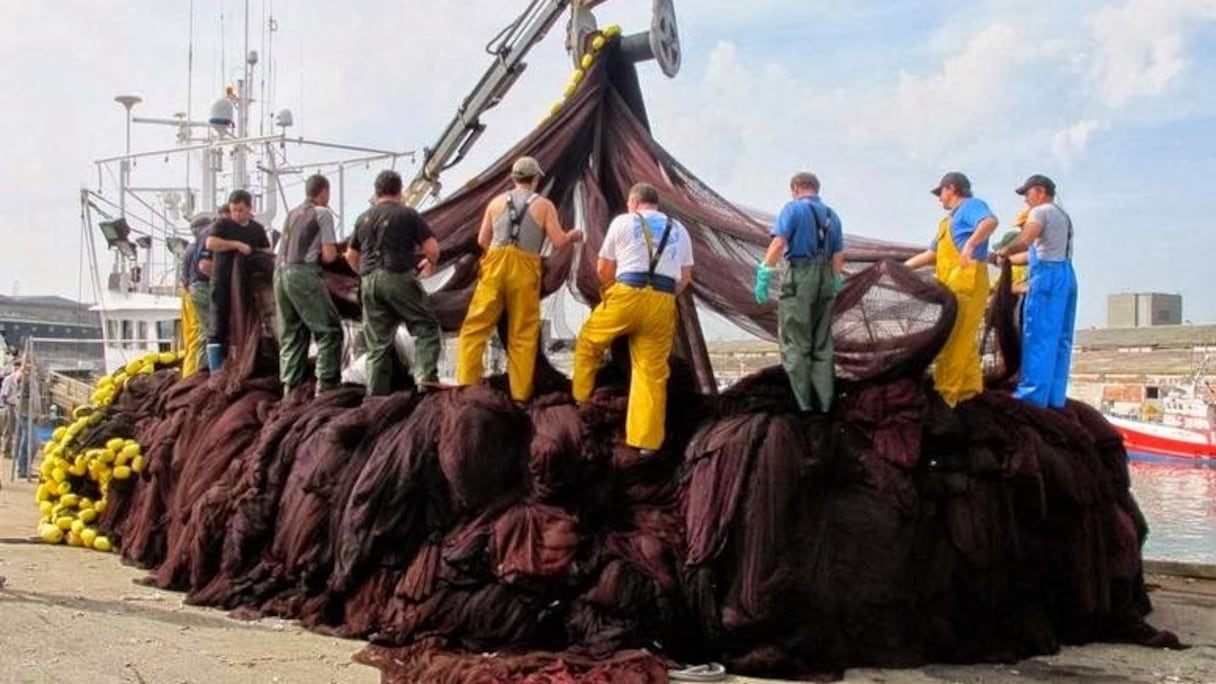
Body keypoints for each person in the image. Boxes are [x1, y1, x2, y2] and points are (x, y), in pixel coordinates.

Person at [572, 182, 694, 455]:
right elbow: (685, 277)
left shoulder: (623, 222)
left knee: (589, 343)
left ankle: (580, 401)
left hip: (627, 294)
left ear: (634, 202)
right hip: (663, 301)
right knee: (651, 372)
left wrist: (613, 292)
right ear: (656, 204)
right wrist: (661, 294)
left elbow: (604, 268)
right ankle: (646, 443)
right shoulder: (679, 229)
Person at [455, 157, 584, 403]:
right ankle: (520, 396)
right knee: (522, 334)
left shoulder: (495, 203)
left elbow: (483, 240)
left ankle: (466, 387)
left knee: (475, 328)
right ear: (535, 179)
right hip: (524, 267)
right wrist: (573, 235)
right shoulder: (544, 205)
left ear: (513, 178)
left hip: (494, 265)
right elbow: (558, 242)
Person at [754, 171, 845, 414]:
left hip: (800, 276)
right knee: (822, 344)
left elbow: (778, 243)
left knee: (796, 342)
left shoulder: (792, 209)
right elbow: (838, 256)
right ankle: (825, 406)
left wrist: (764, 274)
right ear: (816, 188)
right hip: (826, 277)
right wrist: (834, 281)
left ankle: (803, 407)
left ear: (795, 188)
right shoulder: (832, 216)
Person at [905, 172, 999, 407]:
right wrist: (901, 268)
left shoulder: (971, 206)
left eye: (941, 192)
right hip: (951, 288)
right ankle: (968, 394)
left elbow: (990, 222)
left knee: (954, 341)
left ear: (952, 188)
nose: (940, 198)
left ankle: (946, 397)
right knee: (963, 343)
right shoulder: (946, 222)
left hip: (967, 285)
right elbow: (932, 254)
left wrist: (971, 243)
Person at [346, 169, 443, 395]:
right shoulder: (408, 215)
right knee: (426, 326)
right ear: (400, 191)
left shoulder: (363, 218)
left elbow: (351, 255)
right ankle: (426, 378)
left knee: (378, 343)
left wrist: (365, 273)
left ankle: (376, 395)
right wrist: (431, 264)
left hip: (369, 282)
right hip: (398, 276)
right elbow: (432, 249)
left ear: (376, 191)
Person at [994, 174, 1076, 408]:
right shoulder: (1062, 215)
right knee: (1061, 338)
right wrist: (1008, 258)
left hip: (1047, 278)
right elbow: (1032, 254)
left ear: (1039, 191)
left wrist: (1004, 250)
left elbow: (1027, 240)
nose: (1025, 201)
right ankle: (1054, 398)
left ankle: (1031, 397)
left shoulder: (1040, 212)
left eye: (1027, 195)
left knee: (1039, 336)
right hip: (1067, 275)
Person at [276, 174, 344, 395]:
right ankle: (326, 387)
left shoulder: (291, 214)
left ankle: (290, 391)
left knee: (293, 336)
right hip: (303, 275)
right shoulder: (322, 213)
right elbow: (329, 255)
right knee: (330, 331)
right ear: (324, 191)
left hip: (280, 275)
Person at [205, 191, 269, 372]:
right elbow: (210, 243)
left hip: (247, 288)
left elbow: (265, 251)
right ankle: (216, 371)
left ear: (249, 208)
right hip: (222, 282)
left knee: (247, 323)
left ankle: (247, 364)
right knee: (218, 325)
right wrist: (236, 245)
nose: (237, 214)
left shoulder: (257, 229)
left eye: (241, 210)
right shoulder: (223, 224)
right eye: (234, 210)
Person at [179, 213, 216, 376]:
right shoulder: (196, 249)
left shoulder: (190, 248)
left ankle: (191, 373)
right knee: (199, 334)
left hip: (188, 293)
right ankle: (196, 373)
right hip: (194, 293)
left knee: (193, 336)